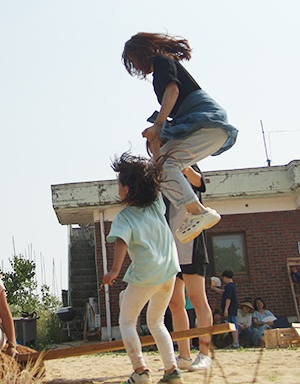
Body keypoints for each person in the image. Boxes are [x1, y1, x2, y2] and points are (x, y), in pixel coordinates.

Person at [122, 32, 238, 244]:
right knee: (160, 166)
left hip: (206, 121)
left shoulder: (162, 60)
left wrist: (158, 126)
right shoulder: (165, 63)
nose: (136, 67)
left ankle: (197, 211)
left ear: (141, 53)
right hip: (209, 125)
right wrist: (157, 132)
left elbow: (173, 91)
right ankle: (196, 211)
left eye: (133, 61)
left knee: (165, 165)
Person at [102, 152, 183, 384]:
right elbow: (155, 169)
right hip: (169, 272)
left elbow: (121, 242)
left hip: (146, 275)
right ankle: (172, 371)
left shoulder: (124, 217)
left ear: (126, 189)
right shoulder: (156, 204)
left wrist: (114, 272)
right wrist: (156, 147)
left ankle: (140, 371)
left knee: (127, 322)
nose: (118, 187)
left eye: (119, 183)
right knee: (157, 322)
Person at [158, 161, 214, 371]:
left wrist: (186, 169)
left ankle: (205, 353)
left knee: (198, 299)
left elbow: (199, 182)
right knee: (174, 303)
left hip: (192, 242)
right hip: (170, 245)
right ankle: (184, 355)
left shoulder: (186, 161)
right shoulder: (159, 173)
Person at [211, 270, 239, 348]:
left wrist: (226, 309)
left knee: (233, 324)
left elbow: (228, 298)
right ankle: (234, 341)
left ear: (225, 277)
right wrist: (214, 289)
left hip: (231, 309)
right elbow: (224, 293)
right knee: (231, 323)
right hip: (232, 308)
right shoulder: (231, 286)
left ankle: (235, 342)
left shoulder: (229, 286)